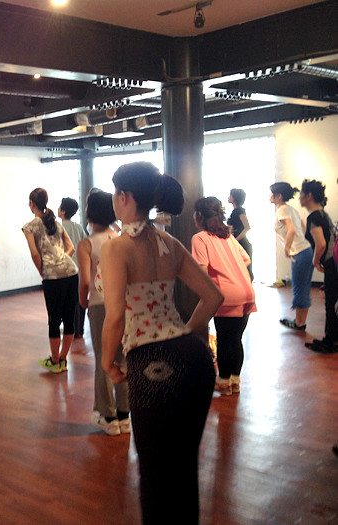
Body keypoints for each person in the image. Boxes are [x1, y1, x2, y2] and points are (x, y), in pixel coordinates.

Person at [99, 162, 223, 524]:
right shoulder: (170, 243)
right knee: (184, 469)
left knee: (155, 475)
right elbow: (213, 297)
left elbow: (115, 317)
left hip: (152, 362)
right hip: (194, 358)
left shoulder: (116, 248)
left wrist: (108, 362)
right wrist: (183, 333)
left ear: (123, 197)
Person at [76, 190, 129, 435]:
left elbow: (85, 282)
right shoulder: (121, 239)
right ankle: (125, 415)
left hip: (100, 305)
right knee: (123, 357)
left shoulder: (87, 244)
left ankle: (108, 416)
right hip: (124, 304)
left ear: (89, 214)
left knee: (104, 359)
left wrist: (83, 303)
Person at [191, 197, 256, 396]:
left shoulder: (200, 238)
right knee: (236, 339)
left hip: (226, 295)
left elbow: (201, 270)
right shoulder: (227, 236)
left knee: (224, 340)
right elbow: (246, 260)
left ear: (199, 215)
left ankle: (224, 382)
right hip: (246, 291)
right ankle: (235, 381)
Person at [23, 188, 78, 373]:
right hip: (71, 272)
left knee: (54, 319)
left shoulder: (29, 227)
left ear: (32, 204)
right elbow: (71, 248)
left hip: (52, 277)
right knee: (69, 318)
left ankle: (55, 361)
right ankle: (62, 359)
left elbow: (34, 254)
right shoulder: (56, 223)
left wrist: (43, 270)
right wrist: (62, 259)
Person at [298, 180, 337, 353]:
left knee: (331, 303)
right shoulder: (323, 214)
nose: (299, 197)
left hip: (331, 264)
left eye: (301, 194)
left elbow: (321, 244)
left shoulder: (314, 216)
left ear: (309, 196)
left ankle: (330, 342)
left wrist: (315, 261)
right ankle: (332, 338)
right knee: (333, 302)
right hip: (334, 262)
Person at [271, 182, 314, 331]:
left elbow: (292, 230)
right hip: (306, 251)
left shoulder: (282, 209)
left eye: (272, 193)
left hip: (300, 253)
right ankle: (300, 321)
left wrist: (287, 247)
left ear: (279, 196)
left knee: (299, 288)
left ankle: (300, 323)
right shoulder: (291, 209)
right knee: (303, 287)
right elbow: (303, 227)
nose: (270, 196)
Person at [59, 197, 87, 338]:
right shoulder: (78, 227)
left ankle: (71, 329)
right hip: (80, 267)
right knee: (79, 299)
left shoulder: (60, 228)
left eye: (60, 207)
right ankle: (80, 329)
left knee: (69, 300)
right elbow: (85, 244)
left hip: (67, 268)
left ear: (63, 211)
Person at [227, 188, 253, 281]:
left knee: (244, 270)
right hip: (236, 242)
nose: (228, 197)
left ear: (235, 197)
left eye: (230, 195)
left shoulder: (239, 211)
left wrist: (236, 240)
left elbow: (247, 227)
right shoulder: (235, 211)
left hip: (242, 243)